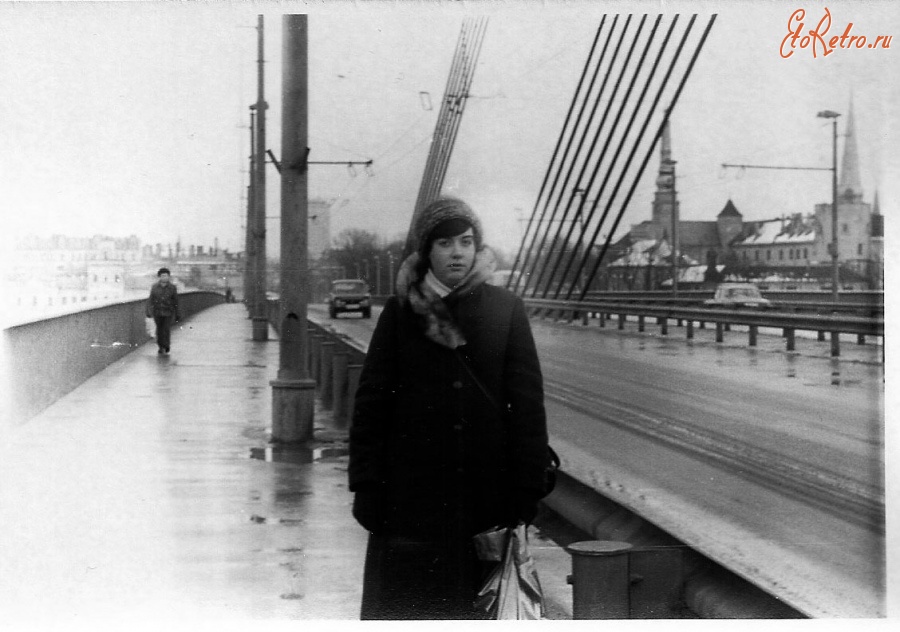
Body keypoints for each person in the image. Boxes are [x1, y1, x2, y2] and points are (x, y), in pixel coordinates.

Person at [348, 197, 549, 619]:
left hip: (485, 500)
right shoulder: (400, 312)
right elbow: (372, 405)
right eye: (445, 243)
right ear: (427, 251)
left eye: (466, 241)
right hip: (409, 501)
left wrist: (526, 489)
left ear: (477, 247)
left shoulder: (505, 309)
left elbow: (527, 407)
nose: (457, 252)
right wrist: (366, 485)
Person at [146, 267, 180, 354]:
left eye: (166, 276)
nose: (164, 277)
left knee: (166, 329)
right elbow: (150, 299)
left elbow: (175, 301)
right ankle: (161, 346)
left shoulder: (172, 287)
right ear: (159, 277)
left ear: (168, 277)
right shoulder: (154, 287)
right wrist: (148, 311)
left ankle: (166, 345)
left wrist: (177, 313)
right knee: (159, 330)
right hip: (157, 312)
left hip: (168, 312)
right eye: (162, 276)